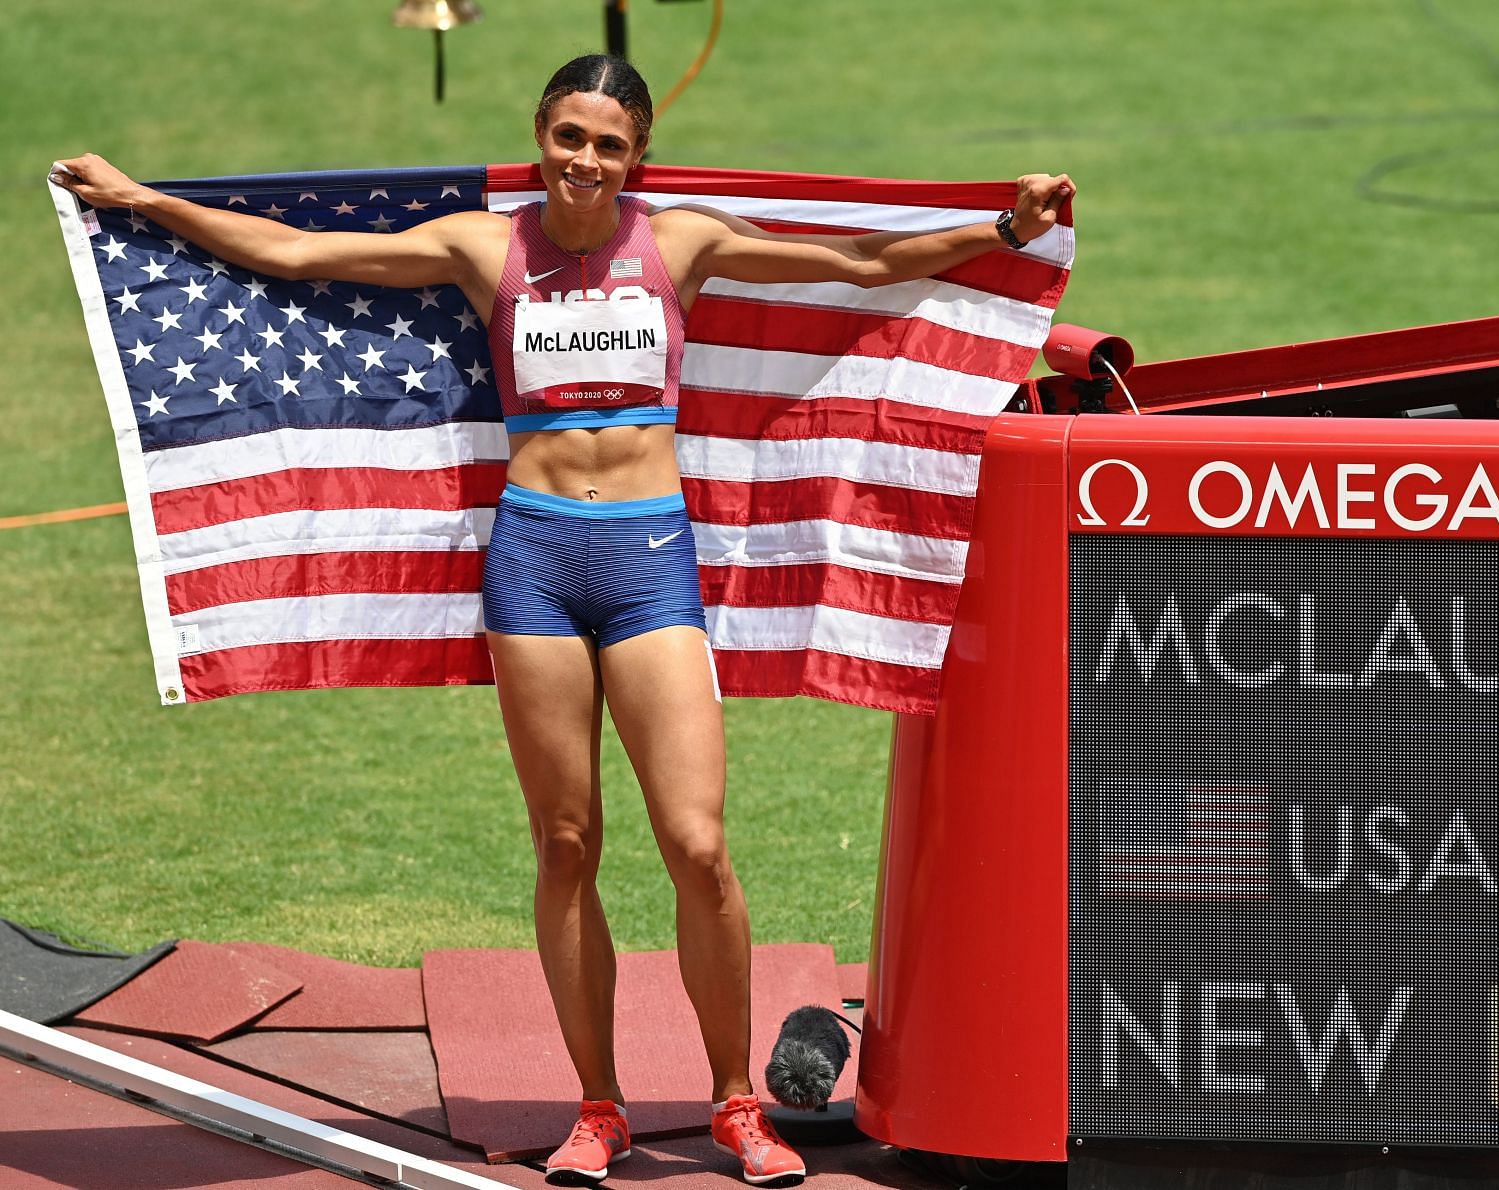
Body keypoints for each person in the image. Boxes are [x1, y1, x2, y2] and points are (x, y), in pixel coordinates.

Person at [55, 53, 1071, 1189]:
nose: (584, 160)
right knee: (567, 842)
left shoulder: (679, 241)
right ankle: (600, 1105)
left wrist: (998, 226)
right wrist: (141, 200)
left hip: (647, 555)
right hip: (533, 555)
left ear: (637, 156)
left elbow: (855, 263)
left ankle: (736, 1100)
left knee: (697, 841)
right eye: (567, 137)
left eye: (607, 144)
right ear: (540, 136)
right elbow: (296, 252)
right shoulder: (481, 245)